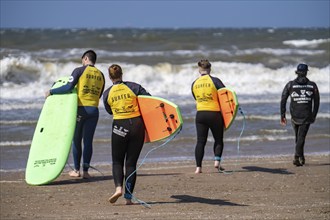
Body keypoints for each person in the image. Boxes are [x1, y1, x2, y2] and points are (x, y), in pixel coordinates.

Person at [45, 50, 105, 178]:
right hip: (94, 111)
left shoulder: (79, 70)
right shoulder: (101, 75)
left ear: (85, 59)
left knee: (76, 140)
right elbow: (99, 94)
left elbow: (68, 87)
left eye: (82, 59)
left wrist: (52, 91)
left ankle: (77, 171)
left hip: (80, 109)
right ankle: (86, 172)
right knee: (88, 141)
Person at [103, 64, 151, 205]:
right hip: (137, 126)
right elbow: (149, 100)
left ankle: (118, 188)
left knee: (117, 161)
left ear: (110, 77)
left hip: (119, 127)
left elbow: (109, 111)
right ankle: (128, 198)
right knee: (131, 163)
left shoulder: (107, 93)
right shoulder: (134, 87)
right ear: (122, 74)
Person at [280, 63, 320, 166]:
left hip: (294, 116)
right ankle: (298, 157)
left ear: (297, 72)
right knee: (300, 138)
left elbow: (283, 99)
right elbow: (317, 102)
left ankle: (298, 157)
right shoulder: (312, 85)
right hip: (306, 116)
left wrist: (283, 115)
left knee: (299, 138)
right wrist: (314, 115)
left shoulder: (290, 85)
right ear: (306, 72)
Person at [191, 59, 226, 174]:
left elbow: (196, 98)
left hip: (200, 114)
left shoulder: (194, 83)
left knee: (200, 141)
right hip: (214, 113)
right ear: (210, 69)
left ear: (199, 70)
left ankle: (198, 168)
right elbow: (226, 96)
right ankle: (217, 162)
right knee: (218, 139)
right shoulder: (215, 81)